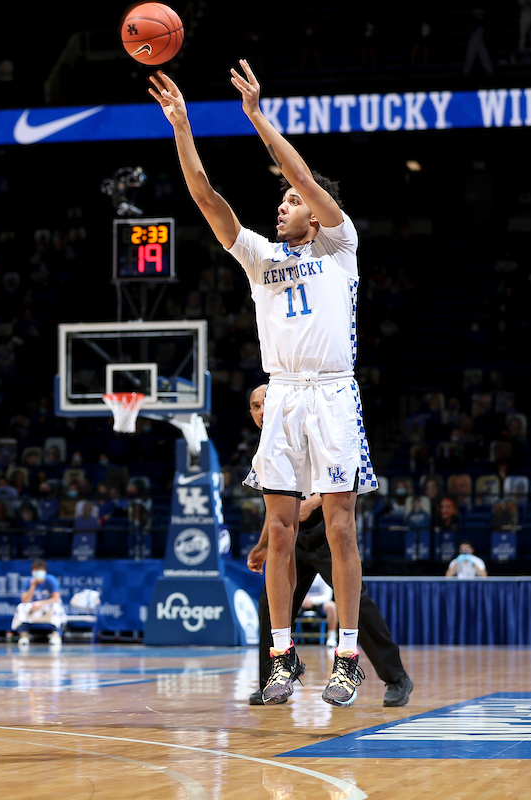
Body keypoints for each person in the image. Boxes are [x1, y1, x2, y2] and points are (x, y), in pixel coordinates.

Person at [154, 64, 376, 707]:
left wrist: (255, 116)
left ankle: (345, 656)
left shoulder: (340, 246)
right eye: (278, 201)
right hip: (281, 395)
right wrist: (184, 130)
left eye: (289, 202)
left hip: (333, 392)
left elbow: (303, 176)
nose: (282, 205)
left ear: (316, 211)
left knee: (339, 531)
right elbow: (204, 196)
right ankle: (282, 657)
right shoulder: (260, 257)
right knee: (278, 533)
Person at [246, 386, 413, 707]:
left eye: (266, 401)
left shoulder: (310, 419)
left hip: (325, 531)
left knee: (356, 604)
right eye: (256, 406)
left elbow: (341, 480)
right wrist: (262, 545)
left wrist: (311, 503)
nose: (263, 409)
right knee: (271, 602)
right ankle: (272, 677)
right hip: (293, 538)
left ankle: (397, 678)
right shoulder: (270, 447)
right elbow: (276, 515)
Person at [10, 559, 64, 647]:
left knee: (57, 607)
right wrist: (32, 586)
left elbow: (56, 598)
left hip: (46, 606)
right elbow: (24, 600)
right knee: (21, 607)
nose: (38, 573)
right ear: (32, 571)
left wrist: (40, 603)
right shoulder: (29, 581)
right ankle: (24, 635)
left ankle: (56, 635)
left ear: (45, 571)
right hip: (33, 607)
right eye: (36, 570)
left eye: (40, 570)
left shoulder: (51, 580)